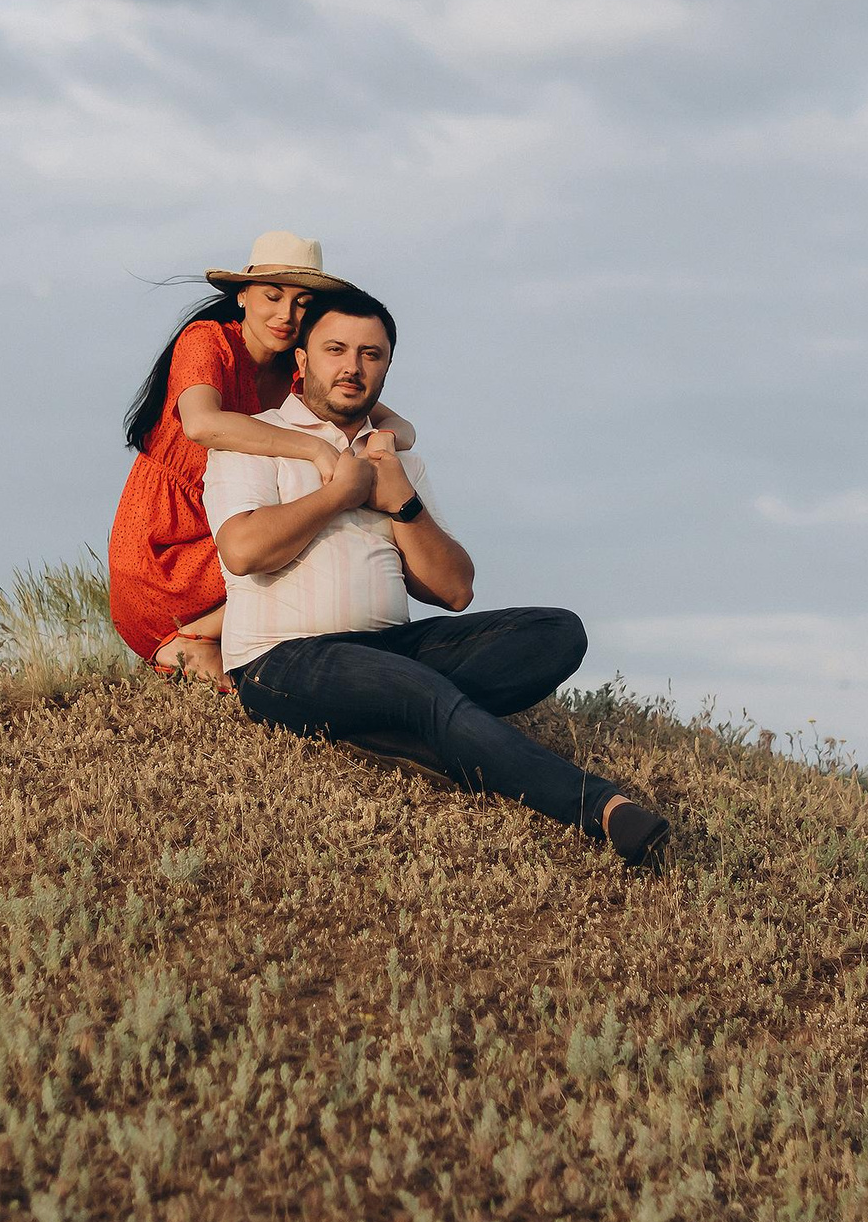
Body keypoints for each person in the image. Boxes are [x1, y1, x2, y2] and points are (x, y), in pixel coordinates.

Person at [204, 285, 672, 866]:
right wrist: (339, 494)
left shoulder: (397, 459)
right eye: (335, 349)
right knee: (419, 690)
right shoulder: (257, 438)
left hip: (389, 650)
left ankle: (387, 727)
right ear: (301, 361)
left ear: (386, 368)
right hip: (282, 659)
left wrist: (401, 501)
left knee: (558, 632)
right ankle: (603, 808)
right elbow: (243, 550)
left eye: (371, 355)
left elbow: (453, 590)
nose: (352, 367)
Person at [108, 232, 417, 689]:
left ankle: (200, 644)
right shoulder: (208, 340)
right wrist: (315, 448)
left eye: (302, 303)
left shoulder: (298, 368)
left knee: (313, 551)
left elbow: (403, 429)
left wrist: (379, 449)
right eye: (273, 296)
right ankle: (185, 639)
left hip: (228, 525)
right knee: (301, 543)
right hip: (168, 541)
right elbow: (202, 424)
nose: (286, 315)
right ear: (242, 296)